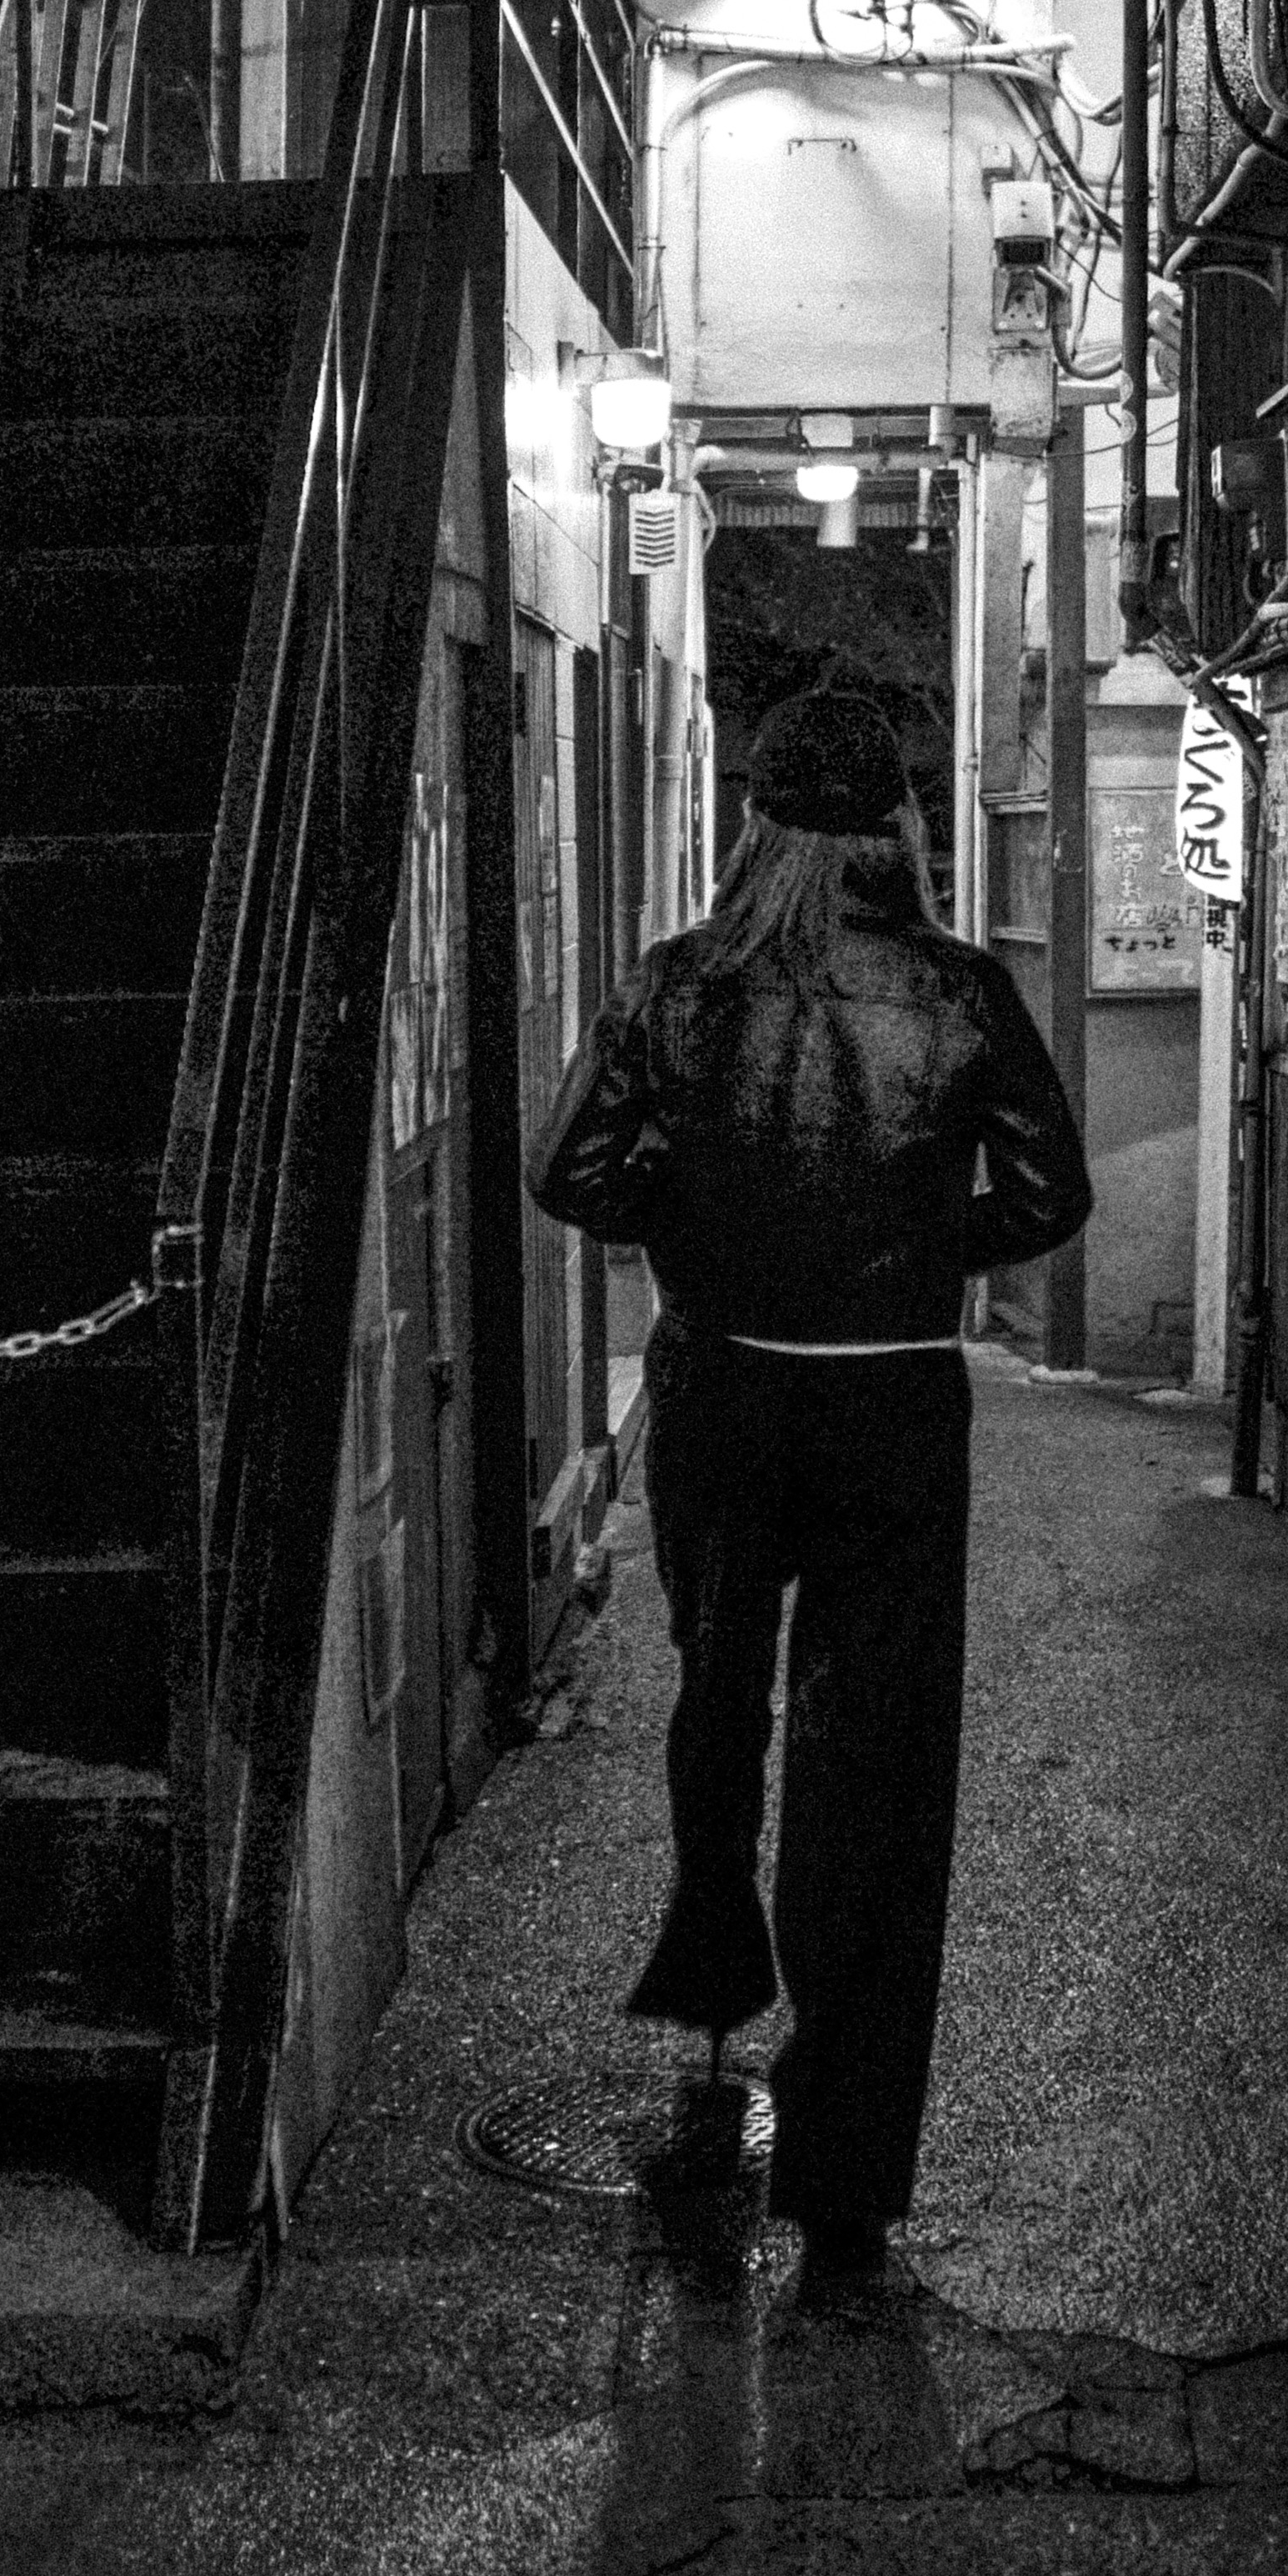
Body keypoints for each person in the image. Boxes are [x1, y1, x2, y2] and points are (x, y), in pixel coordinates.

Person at [527, 687, 1093, 2299]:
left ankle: (712, 1961)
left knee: (719, 1682)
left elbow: (570, 1167)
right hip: (892, 1396)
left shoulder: (677, 983)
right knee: (878, 1763)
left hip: (722, 1381)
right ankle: (843, 2179)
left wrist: (695, 1224)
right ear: (899, 826)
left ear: (757, 824)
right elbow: (1052, 1192)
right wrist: (919, 1246)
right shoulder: (962, 988)